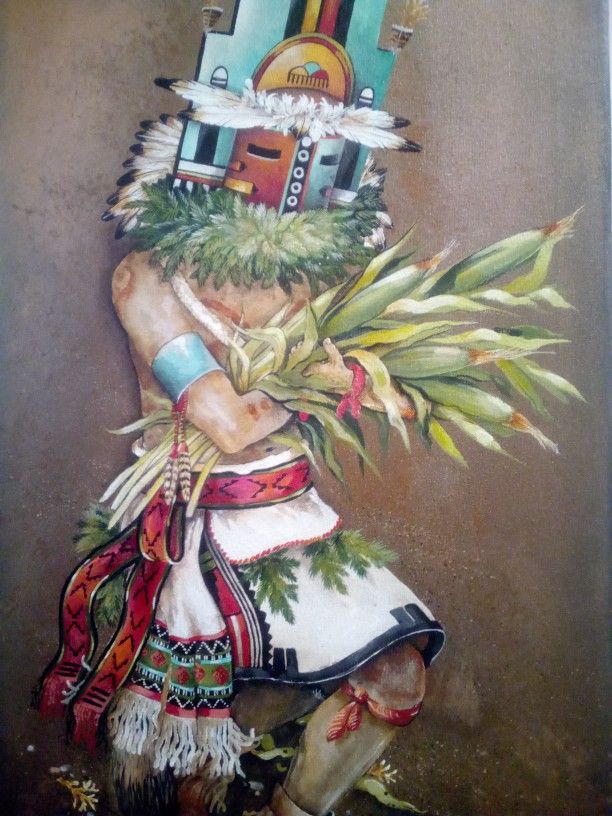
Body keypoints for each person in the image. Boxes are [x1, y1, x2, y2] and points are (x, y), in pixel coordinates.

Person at [103, 247, 444, 816]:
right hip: (198, 535)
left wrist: (380, 375)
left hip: (296, 520)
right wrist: (331, 381)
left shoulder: (315, 265)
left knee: (397, 674)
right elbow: (230, 425)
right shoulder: (149, 278)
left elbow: (383, 382)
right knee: (192, 785)